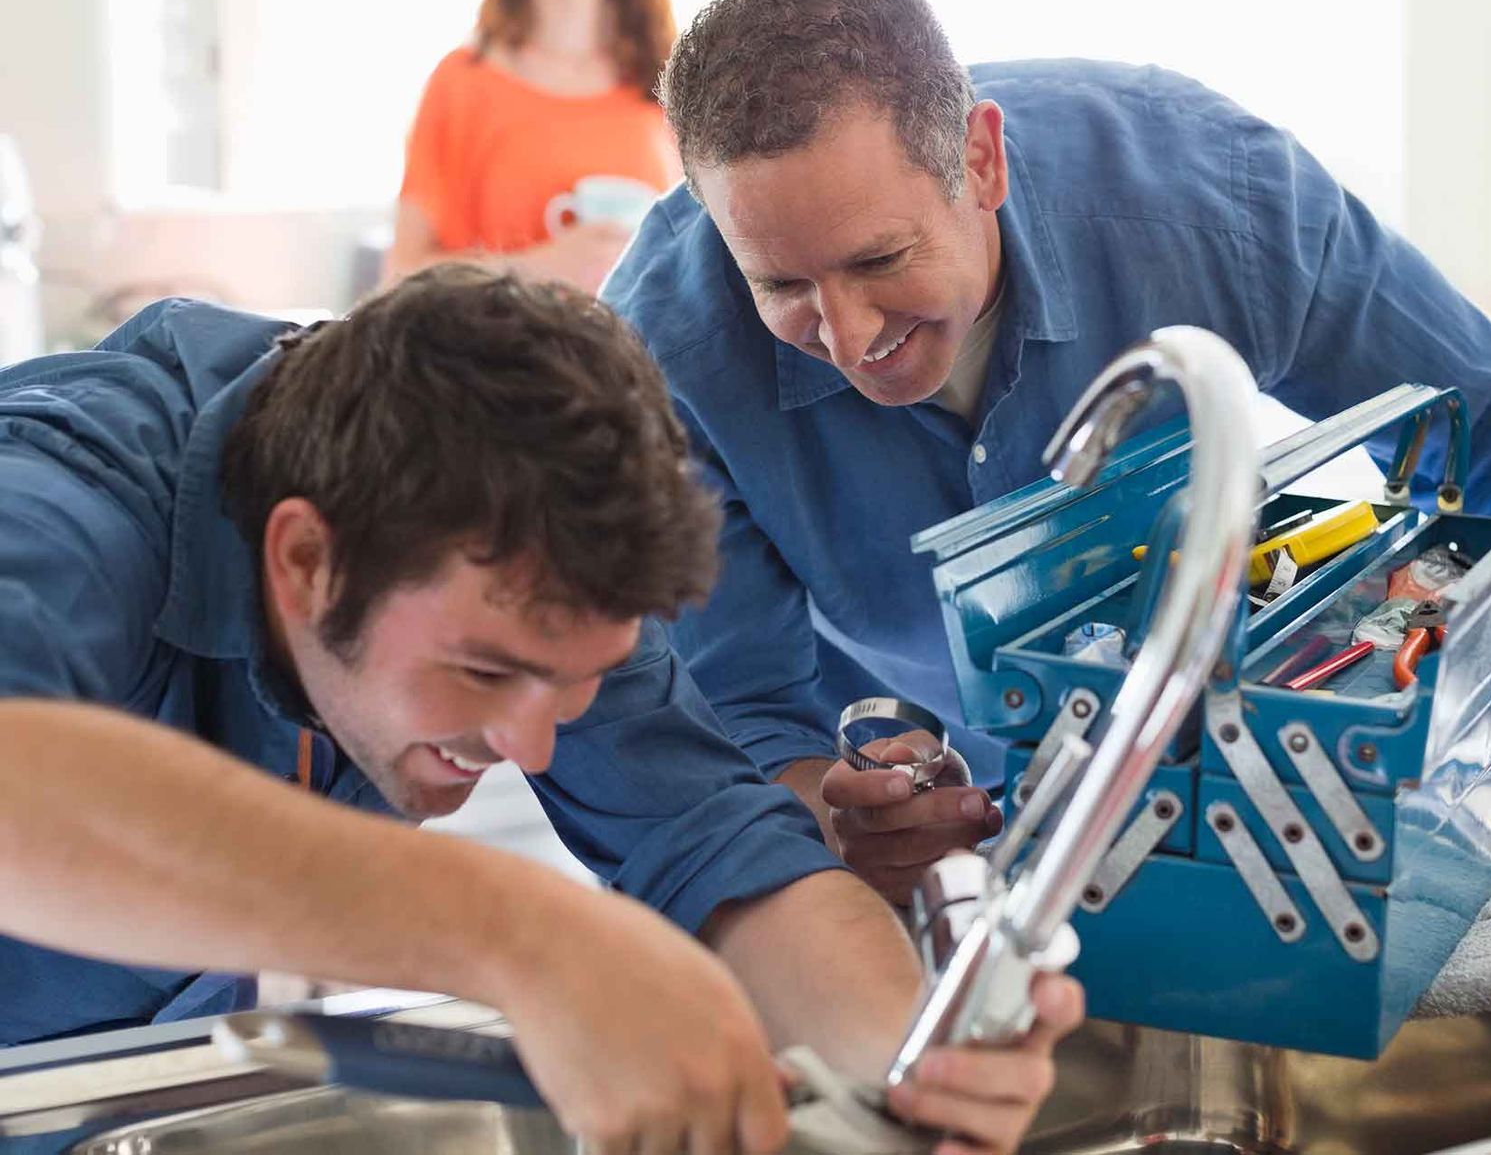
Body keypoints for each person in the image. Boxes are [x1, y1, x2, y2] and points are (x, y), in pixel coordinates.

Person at [602, 0, 1491, 905]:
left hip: (1206, 762)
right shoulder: (662, 351)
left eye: (881, 259)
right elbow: (747, 702)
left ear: (983, 165)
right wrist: (841, 821)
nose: (843, 331)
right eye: (782, 285)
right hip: (907, 780)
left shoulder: (1210, 202)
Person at [0, 264, 1077, 1153]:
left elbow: (717, 846)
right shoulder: (64, 504)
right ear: (302, 559)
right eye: (480, 674)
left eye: (571, 684)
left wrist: (909, 1072)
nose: (530, 741)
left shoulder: (525, 556)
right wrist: (528, 934)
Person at [383, 0, 680, 293]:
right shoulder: (461, 83)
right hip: (502, 351)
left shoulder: (672, 78)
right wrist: (539, 265)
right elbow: (399, 277)